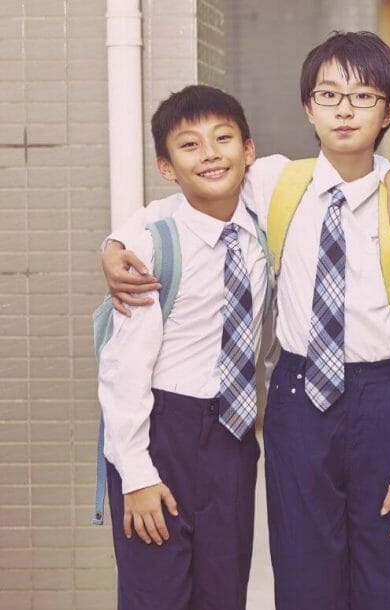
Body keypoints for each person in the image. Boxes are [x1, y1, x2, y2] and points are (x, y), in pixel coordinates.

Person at [102, 31, 390, 610]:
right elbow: (190, 194)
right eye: (329, 95)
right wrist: (116, 244)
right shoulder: (277, 180)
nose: (344, 110)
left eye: (363, 96)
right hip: (297, 396)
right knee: (304, 576)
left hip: (383, 396)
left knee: (386, 578)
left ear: (389, 111)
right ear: (308, 106)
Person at [97, 85, 265, 610]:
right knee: (157, 595)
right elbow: (123, 371)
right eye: (190, 145)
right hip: (160, 432)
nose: (210, 154)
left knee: (223, 594)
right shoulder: (152, 245)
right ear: (167, 167)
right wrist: (137, 475)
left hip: (233, 437)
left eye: (223, 138)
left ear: (249, 150)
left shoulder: (262, 224)